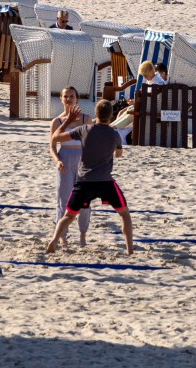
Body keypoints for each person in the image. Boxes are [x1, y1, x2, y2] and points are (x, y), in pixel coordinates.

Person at [47, 99, 134, 254]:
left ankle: (54, 241)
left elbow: (55, 137)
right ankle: (129, 250)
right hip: (105, 182)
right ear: (111, 116)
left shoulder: (84, 130)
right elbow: (119, 154)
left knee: (68, 216)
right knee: (124, 214)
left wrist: (67, 121)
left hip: (84, 181)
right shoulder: (114, 135)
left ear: (96, 114)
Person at [49, 87, 90, 246]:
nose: (68, 99)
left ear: (77, 99)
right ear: (61, 99)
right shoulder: (57, 121)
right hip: (65, 158)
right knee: (63, 200)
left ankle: (82, 234)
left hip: (83, 160)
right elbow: (52, 146)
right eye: (65, 96)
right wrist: (57, 160)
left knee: (84, 201)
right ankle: (63, 236)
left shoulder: (86, 119)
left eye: (71, 96)